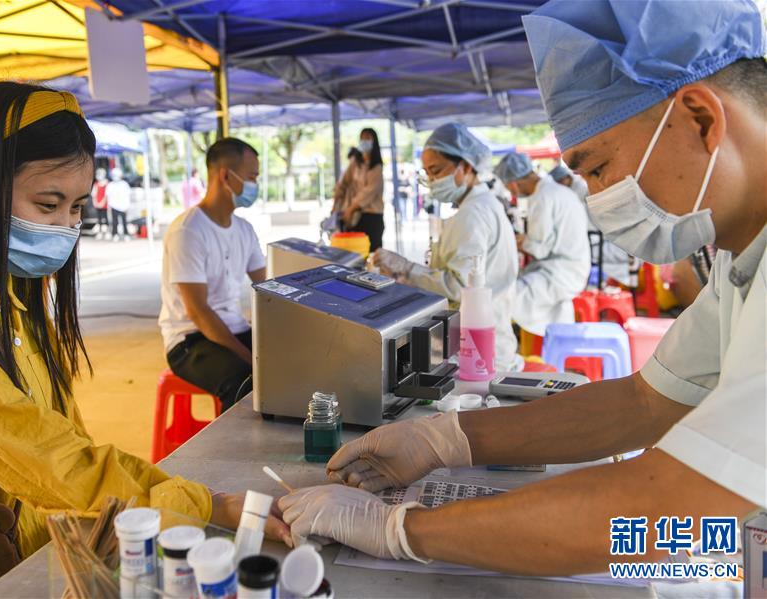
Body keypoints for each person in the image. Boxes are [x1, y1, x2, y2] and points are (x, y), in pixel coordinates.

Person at [278, 0, 765, 575]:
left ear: (701, 119)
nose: (595, 198)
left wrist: (398, 528)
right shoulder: (742, 263)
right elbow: (645, 401)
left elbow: (667, 506)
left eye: (598, 168)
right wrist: (447, 440)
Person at [0, 83, 289, 595]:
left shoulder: (6, 282)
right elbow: (31, 450)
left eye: (76, 208)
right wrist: (198, 504)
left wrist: (154, 505)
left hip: (25, 536)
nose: (66, 227)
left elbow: (63, 435)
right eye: (48, 204)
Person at [370, 123, 524, 373]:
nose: (432, 181)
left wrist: (408, 269)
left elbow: (459, 287)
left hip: (478, 350)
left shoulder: (473, 214)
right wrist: (407, 276)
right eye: (427, 174)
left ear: (465, 165)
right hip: (487, 339)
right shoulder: (480, 205)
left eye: (436, 171)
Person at [159, 138, 266, 411]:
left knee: (295, 363)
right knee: (246, 381)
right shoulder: (189, 231)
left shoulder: (244, 230)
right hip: (190, 340)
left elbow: (268, 288)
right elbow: (199, 311)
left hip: (234, 329)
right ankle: (235, 454)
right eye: (252, 176)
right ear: (226, 175)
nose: (256, 185)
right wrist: (248, 357)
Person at [495, 151, 590, 337]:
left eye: (509, 188)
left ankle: (509, 353)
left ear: (513, 183)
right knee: (510, 285)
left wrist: (518, 243)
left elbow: (540, 249)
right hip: (568, 267)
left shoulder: (543, 197)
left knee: (503, 298)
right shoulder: (557, 191)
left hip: (562, 273)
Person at [551, 163, 631, 286]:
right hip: (597, 238)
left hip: (601, 241)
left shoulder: (581, 191)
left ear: (565, 179)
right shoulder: (575, 191)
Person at [343, 128, 385, 251]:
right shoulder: (355, 163)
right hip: (356, 216)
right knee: (355, 254)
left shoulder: (377, 167)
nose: (364, 140)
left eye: (368, 138)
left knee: (372, 253)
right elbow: (344, 182)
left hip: (372, 216)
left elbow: (369, 192)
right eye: (362, 137)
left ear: (374, 141)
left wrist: (351, 208)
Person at [331, 147, 364, 231]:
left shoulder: (358, 169)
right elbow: (339, 189)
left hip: (351, 210)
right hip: (348, 211)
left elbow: (338, 190)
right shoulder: (351, 170)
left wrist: (334, 207)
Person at [106, 167, 131, 241]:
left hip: (123, 206)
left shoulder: (124, 184)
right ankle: (115, 234)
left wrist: (127, 205)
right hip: (113, 205)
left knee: (124, 221)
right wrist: (109, 206)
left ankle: (126, 234)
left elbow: (127, 195)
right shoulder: (110, 185)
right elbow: (108, 196)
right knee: (114, 221)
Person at [91, 167, 110, 239]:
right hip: (97, 204)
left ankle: (107, 232)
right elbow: (94, 194)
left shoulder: (107, 183)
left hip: (104, 205)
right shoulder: (96, 184)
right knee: (99, 219)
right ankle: (100, 232)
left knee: (105, 218)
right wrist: (95, 203)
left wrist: (102, 203)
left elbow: (106, 195)